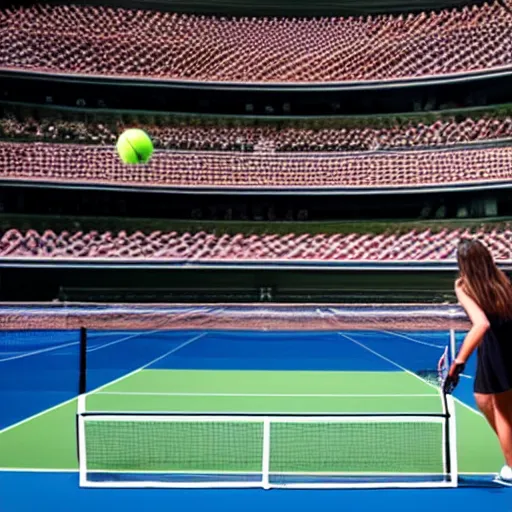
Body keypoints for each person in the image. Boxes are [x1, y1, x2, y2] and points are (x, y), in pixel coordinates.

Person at [446, 238, 512, 485]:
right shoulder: (500, 279)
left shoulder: (463, 285)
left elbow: (481, 324)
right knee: (483, 399)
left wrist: (459, 362)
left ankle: (511, 467)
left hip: (498, 346)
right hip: (498, 343)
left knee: (503, 410)